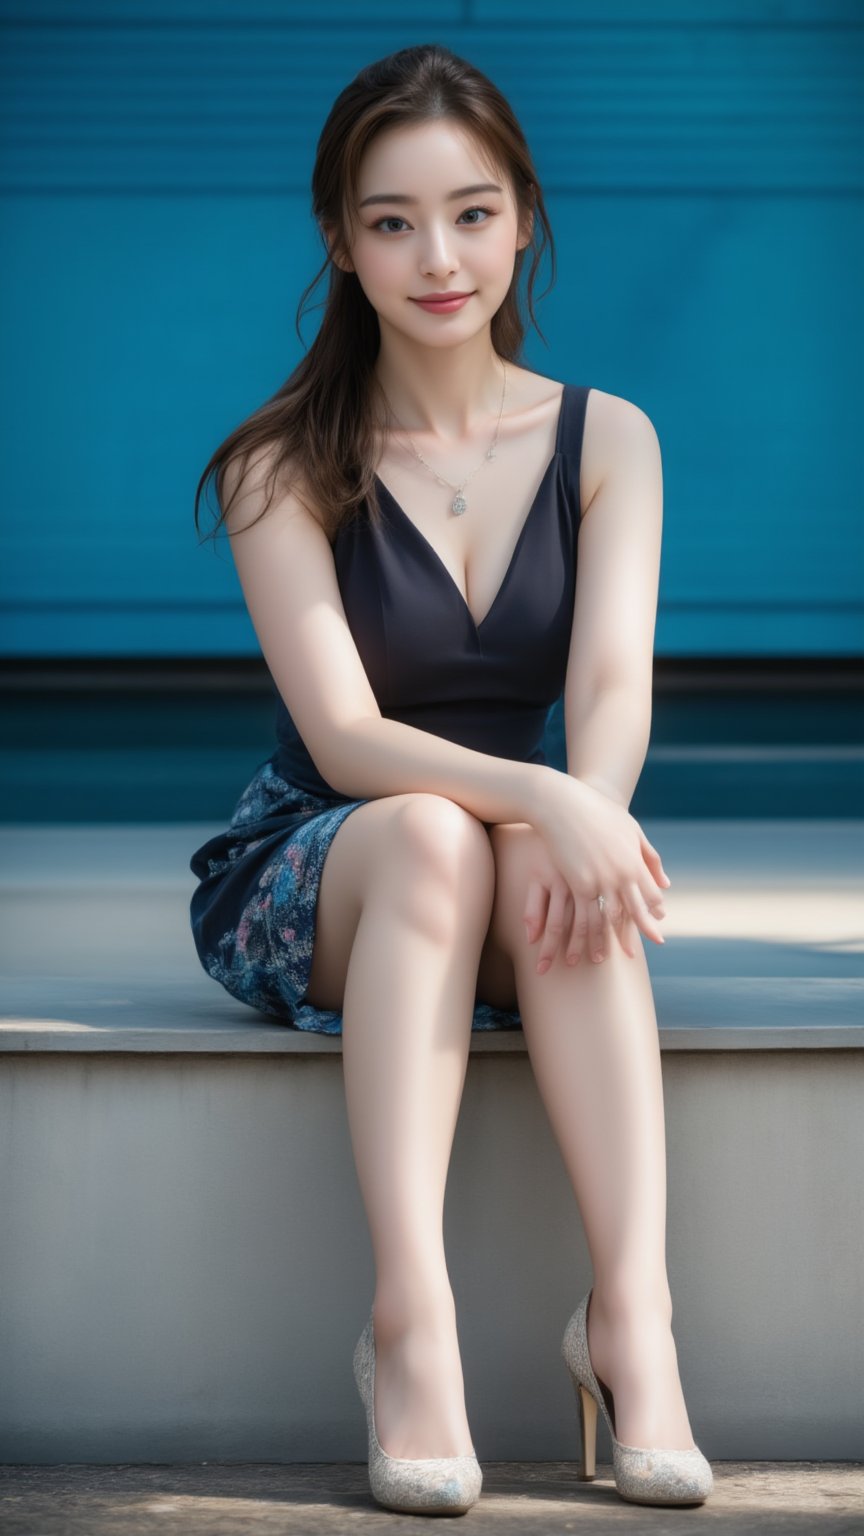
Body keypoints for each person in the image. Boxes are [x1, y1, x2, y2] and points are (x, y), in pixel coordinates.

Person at [189, 43, 713, 1517]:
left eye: (473, 214)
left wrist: (578, 802)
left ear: (526, 218)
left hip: (508, 858)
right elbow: (347, 740)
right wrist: (545, 795)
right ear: (339, 243)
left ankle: (632, 1324)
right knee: (437, 832)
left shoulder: (609, 439)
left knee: (544, 845)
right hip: (323, 862)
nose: (440, 257)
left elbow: (611, 687)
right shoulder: (279, 464)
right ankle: (410, 1329)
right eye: (393, 221)